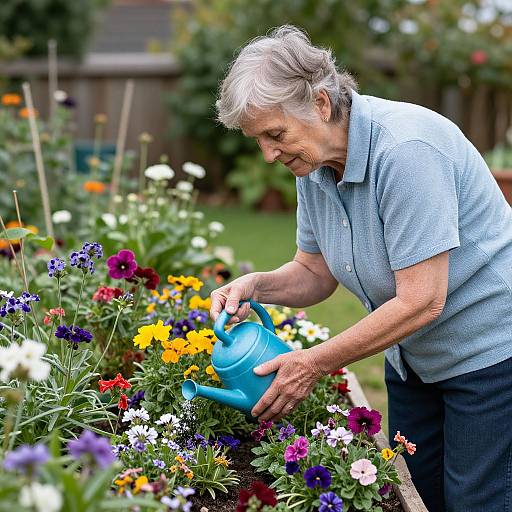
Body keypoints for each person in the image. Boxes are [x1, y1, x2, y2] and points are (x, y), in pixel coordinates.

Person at [210, 25, 512, 512]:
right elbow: (313, 273)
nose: (268, 154)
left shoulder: (405, 151)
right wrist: (256, 286)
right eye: (258, 141)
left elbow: (422, 299)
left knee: (480, 501)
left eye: (275, 134)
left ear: (321, 104)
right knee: (422, 493)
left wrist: (312, 363)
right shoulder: (316, 165)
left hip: (491, 358)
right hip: (414, 360)